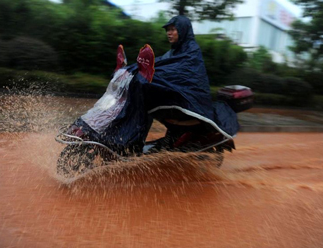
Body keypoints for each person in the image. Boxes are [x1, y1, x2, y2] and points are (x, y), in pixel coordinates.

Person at [77, 15, 239, 154]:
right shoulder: (173, 52)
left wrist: (151, 76)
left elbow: (177, 73)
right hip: (177, 98)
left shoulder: (191, 51)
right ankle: (122, 138)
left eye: (173, 29)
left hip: (190, 102)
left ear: (183, 30)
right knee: (139, 96)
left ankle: (130, 143)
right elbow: (157, 65)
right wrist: (129, 70)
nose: (169, 33)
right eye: (167, 30)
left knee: (144, 99)